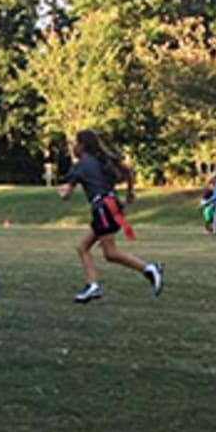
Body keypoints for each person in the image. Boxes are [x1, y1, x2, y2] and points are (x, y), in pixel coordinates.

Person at [56, 129, 163, 304]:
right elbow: (129, 172)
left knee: (110, 253)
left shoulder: (80, 165)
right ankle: (92, 286)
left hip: (103, 209)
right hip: (110, 207)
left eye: (75, 143)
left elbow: (66, 195)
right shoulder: (103, 160)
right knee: (82, 247)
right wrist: (130, 192)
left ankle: (149, 268)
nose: (74, 147)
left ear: (82, 146)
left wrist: (60, 192)